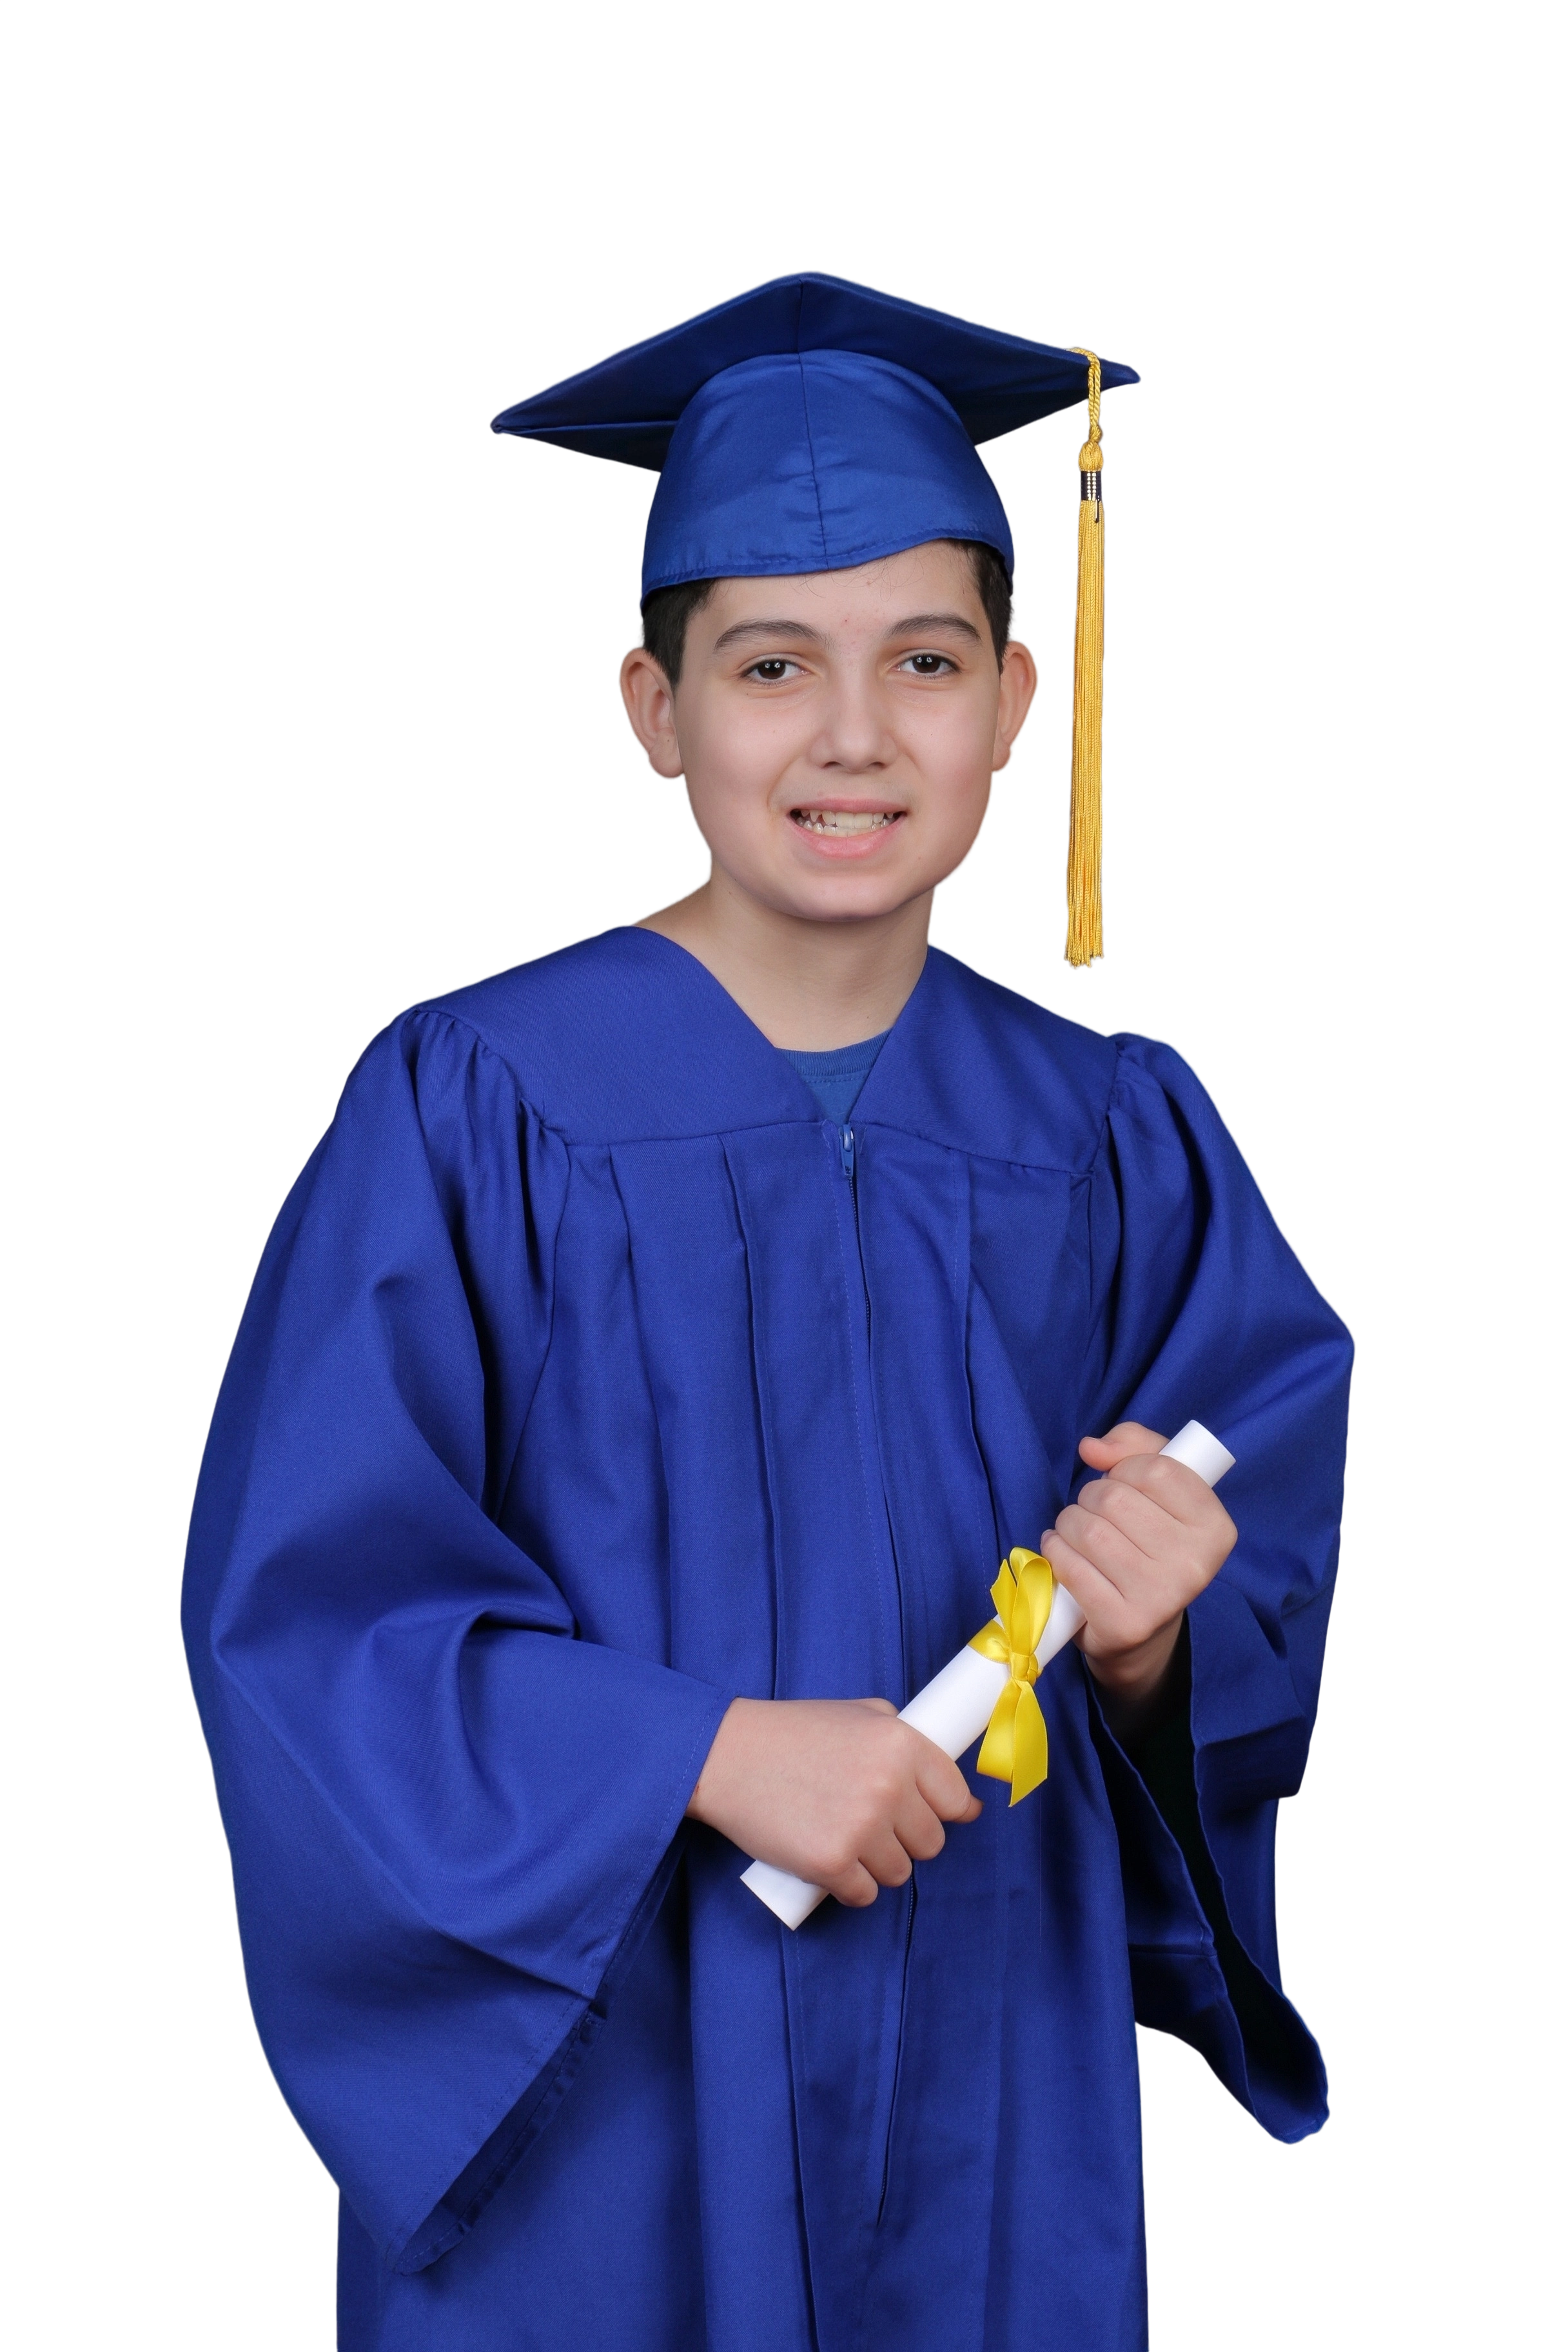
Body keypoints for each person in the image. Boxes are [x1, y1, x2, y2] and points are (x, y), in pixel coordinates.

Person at [180, 272, 1353, 2352]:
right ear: (656, 710)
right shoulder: (474, 1106)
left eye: (926, 659)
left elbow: (1243, 1559)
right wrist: (701, 1749)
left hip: (993, 2073)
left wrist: (1157, 1641)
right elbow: (312, 1624)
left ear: (1020, 697)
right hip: (600, 2113)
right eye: (770, 664)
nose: (852, 735)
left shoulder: (1108, 1133)